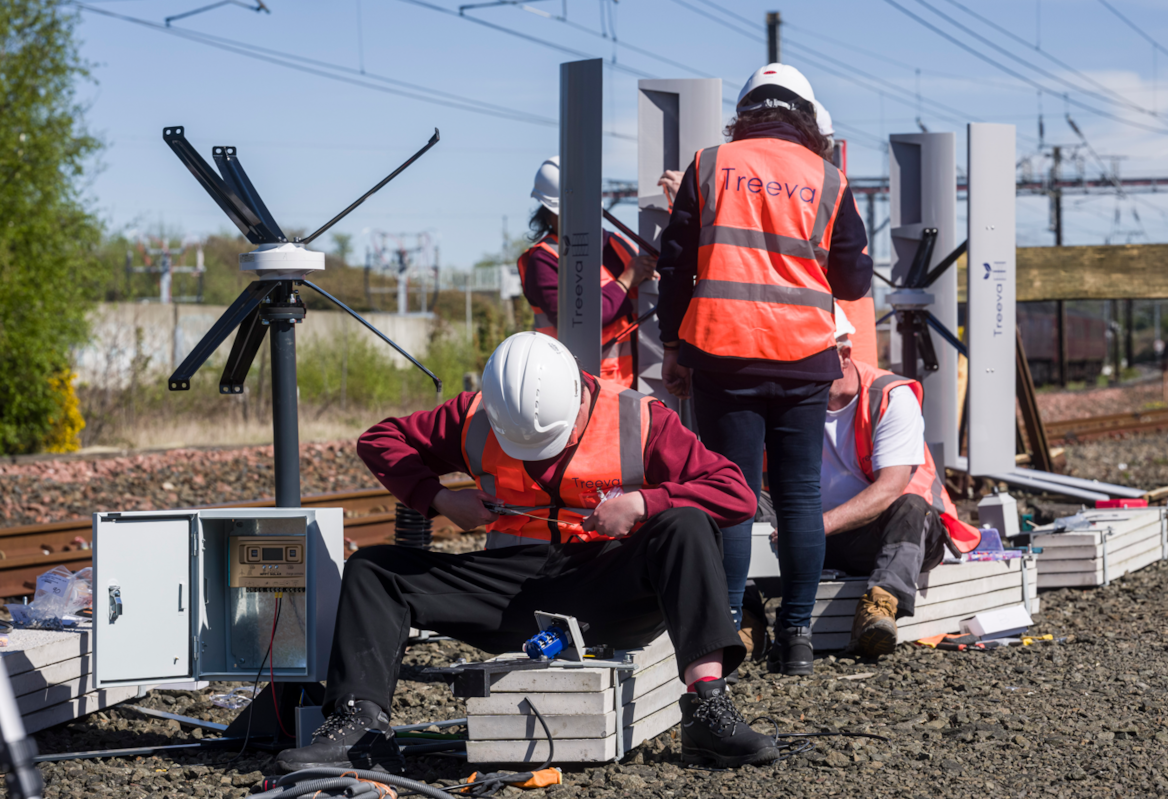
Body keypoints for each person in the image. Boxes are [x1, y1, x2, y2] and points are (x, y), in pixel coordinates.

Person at [275, 332, 779, 773]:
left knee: (685, 523)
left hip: (610, 590)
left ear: (581, 395)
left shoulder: (640, 420)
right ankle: (359, 731)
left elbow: (735, 491)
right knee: (374, 569)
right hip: (510, 591)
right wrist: (442, 498)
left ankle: (707, 710)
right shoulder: (472, 416)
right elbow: (380, 440)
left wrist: (644, 502)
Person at [654, 63, 874, 677]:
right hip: (805, 356)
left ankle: (723, 633)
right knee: (801, 495)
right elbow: (854, 278)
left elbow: (675, 271)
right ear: (805, 118)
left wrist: (672, 346)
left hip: (723, 352)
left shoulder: (706, 165)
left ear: (745, 112)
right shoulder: (828, 179)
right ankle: (797, 639)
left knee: (732, 497)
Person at [821, 307, 981, 655]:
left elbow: (890, 489)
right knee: (745, 502)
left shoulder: (889, 396)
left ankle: (880, 609)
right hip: (823, 537)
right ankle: (747, 622)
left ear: (843, 354)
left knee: (911, 507)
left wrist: (816, 526)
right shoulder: (791, 399)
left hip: (893, 537)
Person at [518, 157, 657, 387]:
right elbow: (579, 318)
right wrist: (626, 280)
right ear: (550, 213)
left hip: (630, 382)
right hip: (574, 387)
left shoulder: (619, 245)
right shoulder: (543, 261)